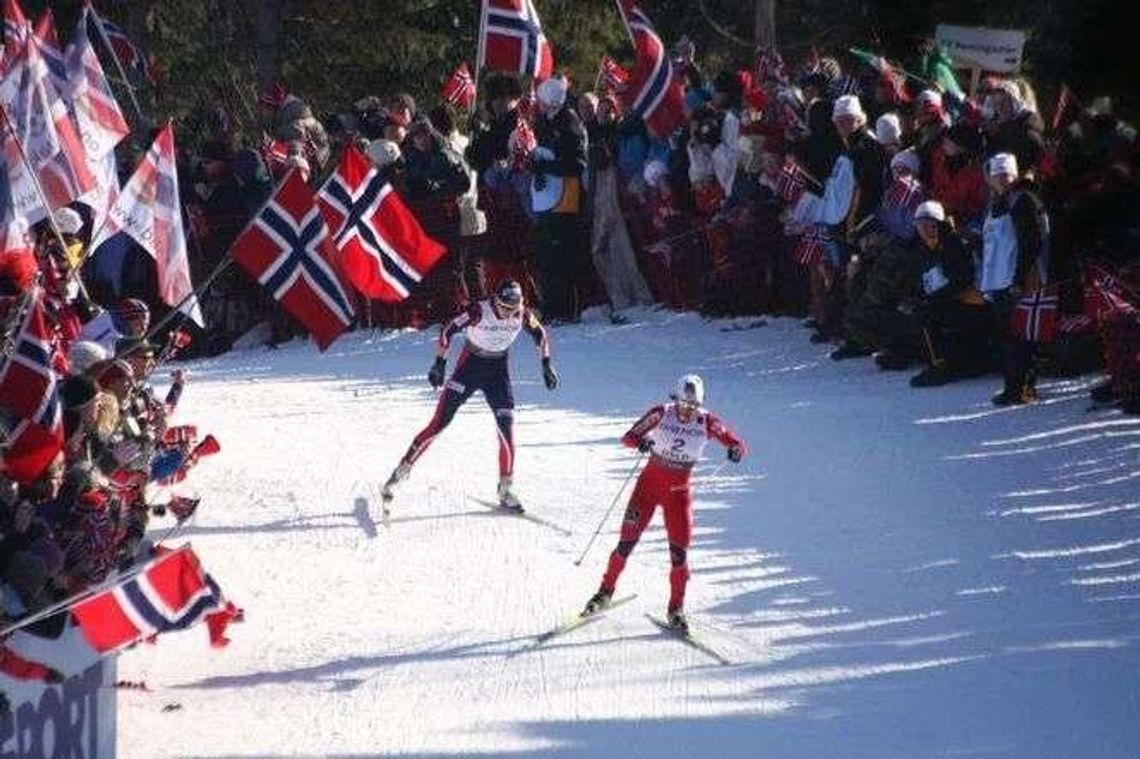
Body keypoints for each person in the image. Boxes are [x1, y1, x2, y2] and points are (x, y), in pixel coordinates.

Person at [582, 375, 746, 632]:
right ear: (676, 399)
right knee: (626, 543)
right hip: (647, 490)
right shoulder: (661, 413)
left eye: (693, 405)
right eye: (683, 403)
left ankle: (676, 609)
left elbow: (735, 442)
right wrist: (642, 442)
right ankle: (604, 592)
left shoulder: (707, 421)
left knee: (679, 554)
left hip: (677, 495)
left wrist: (736, 449)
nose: (687, 410)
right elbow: (628, 437)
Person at [381, 280, 559, 510]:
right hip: (469, 368)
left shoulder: (521, 313)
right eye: (504, 308)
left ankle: (506, 488)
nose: (508, 314)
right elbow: (448, 330)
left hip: (497, 372)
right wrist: (439, 362)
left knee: (506, 426)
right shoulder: (479, 310)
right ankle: (399, 473)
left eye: (512, 309)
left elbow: (540, 334)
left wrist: (546, 364)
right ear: (495, 301)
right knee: (440, 421)